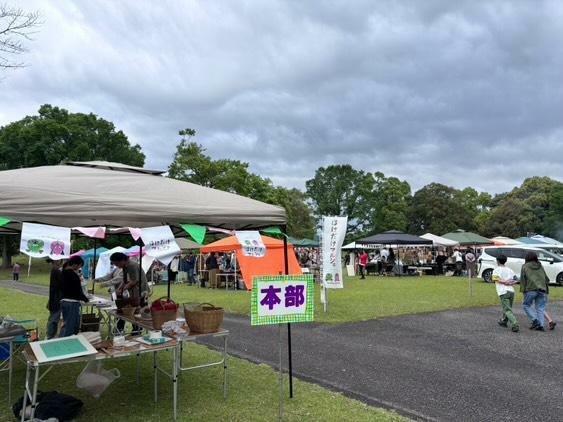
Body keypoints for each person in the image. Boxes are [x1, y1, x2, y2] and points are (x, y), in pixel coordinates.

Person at [109, 252, 148, 334]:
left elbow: (134, 280)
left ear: (122, 260)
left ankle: (137, 330)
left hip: (140, 291)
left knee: (135, 311)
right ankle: (120, 329)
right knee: (124, 310)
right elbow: (125, 280)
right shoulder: (125, 266)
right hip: (133, 292)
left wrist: (123, 289)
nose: (117, 266)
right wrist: (119, 289)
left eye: (117, 263)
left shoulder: (132, 265)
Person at [520, 252, 549, 331]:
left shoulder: (525, 266)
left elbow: (523, 280)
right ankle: (541, 325)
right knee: (540, 308)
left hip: (530, 289)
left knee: (526, 305)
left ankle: (535, 320)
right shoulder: (540, 266)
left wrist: (523, 291)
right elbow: (546, 279)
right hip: (542, 290)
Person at [60, 256, 89, 337]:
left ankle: (68, 340)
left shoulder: (64, 272)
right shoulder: (72, 274)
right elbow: (77, 290)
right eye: (80, 266)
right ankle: (66, 343)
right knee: (70, 326)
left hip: (65, 301)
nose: (79, 268)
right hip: (71, 302)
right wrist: (85, 299)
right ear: (76, 264)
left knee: (69, 324)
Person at [492, 254, 519, 332]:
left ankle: (515, 323)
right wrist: (510, 283)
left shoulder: (496, 270)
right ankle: (504, 321)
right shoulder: (510, 270)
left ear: (497, 261)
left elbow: (495, 279)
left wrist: (505, 282)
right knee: (508, 308)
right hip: (511, 291)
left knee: (507, 309)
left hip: (503, 291)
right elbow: (516, 279)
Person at [46, 259, 63, 339]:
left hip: (54, 298)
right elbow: (63, 283)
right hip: (56, 299)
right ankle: (50, 336)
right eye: (58, 260)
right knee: (53, 319)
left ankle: (50, 335)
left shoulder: (55, 270)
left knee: (53, 319)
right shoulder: (56, 271)